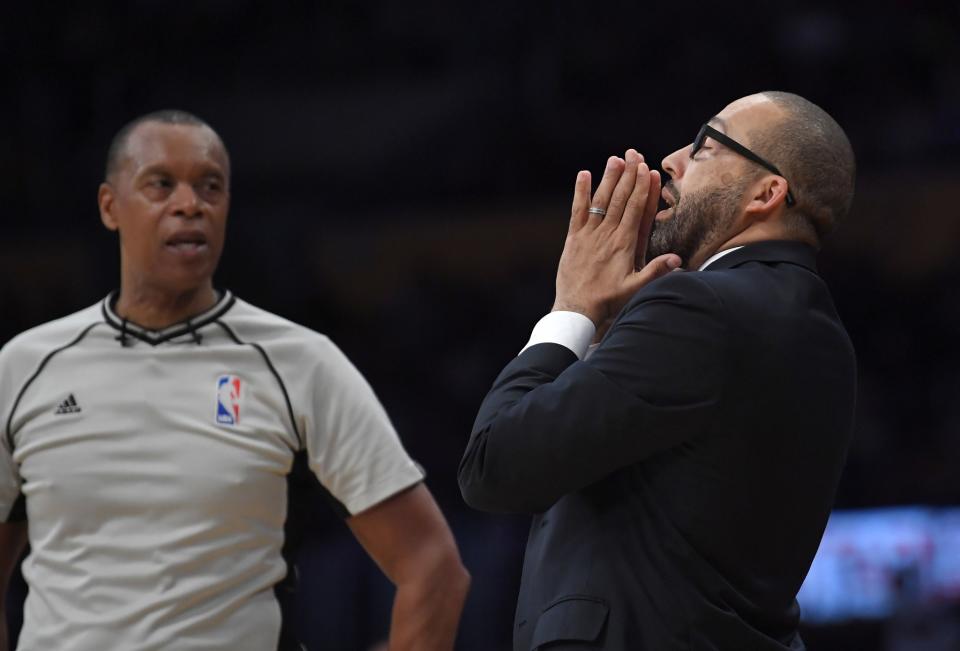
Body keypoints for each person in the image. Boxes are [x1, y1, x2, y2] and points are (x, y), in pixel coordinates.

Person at [0, 110, 470, 650]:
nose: (189, 204)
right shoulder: (25, 366)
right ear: (110, 206)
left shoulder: (300, 362)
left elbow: (433, 568)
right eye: (160, 185)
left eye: (210, 187)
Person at [458, 91, 857, 650]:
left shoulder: (700, 308)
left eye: (705, 147)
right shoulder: (821, 334)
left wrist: (571, 309)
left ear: (767, 193)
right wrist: (608, 332)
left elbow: (494, 466)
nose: (671, 160)